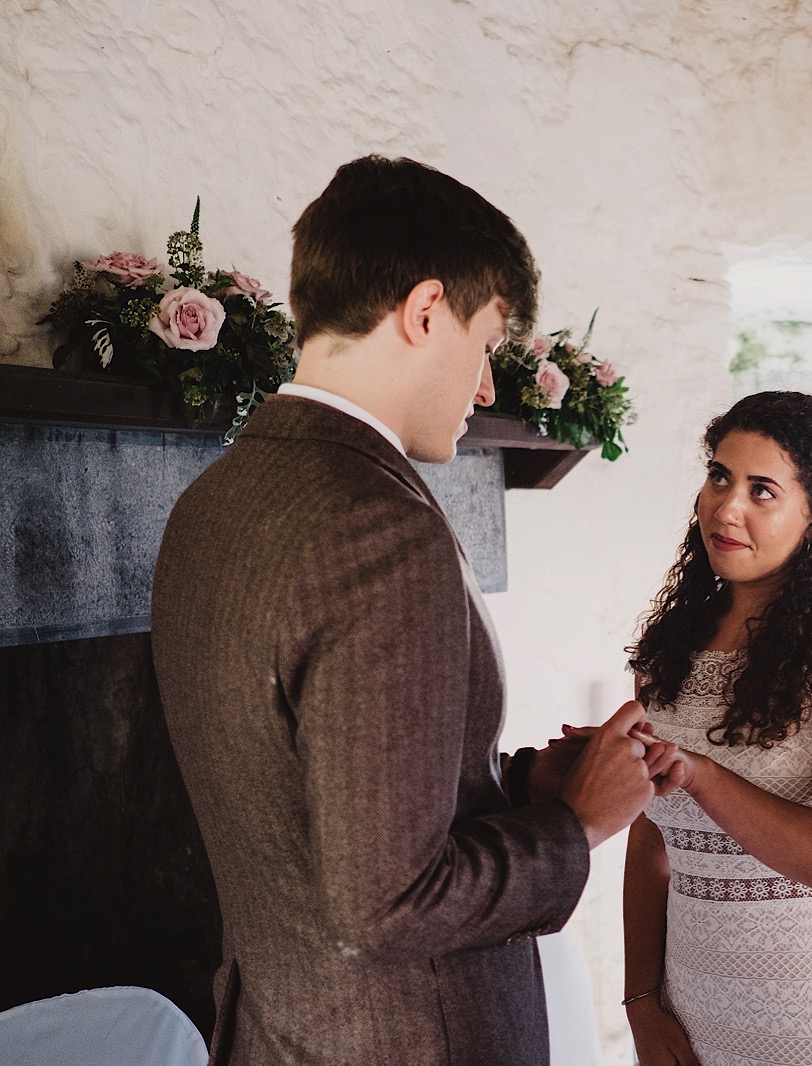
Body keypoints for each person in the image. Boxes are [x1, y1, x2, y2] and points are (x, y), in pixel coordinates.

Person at [150, 155, 675, 1065]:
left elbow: (306, 803)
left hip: (277, 1032)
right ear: (426, 310)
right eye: (487, 343)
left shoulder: (213, 499)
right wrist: (578, 824)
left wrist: (518, 790)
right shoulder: (383, 530)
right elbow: (390, 904)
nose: (484, 388)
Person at [620, 391, 812, 1066]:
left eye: (763, 490)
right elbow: (651, 834)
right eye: (720, 476)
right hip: (690, 1000)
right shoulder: (671, 644)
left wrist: (699, 775)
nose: (727, 507)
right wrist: (641, 1002)